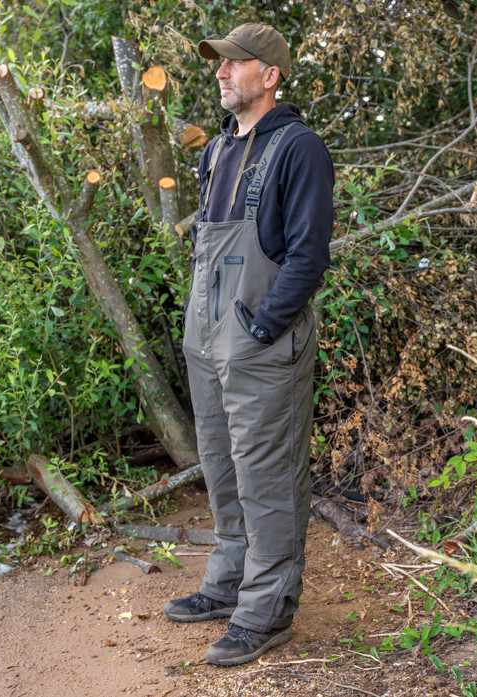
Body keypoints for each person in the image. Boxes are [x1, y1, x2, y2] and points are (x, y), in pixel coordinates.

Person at [162, 23, 334, 666]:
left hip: (260, 343)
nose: (221, 72)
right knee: (222, 464)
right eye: (219, 63)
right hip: (206, 341)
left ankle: (267, 610)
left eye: (234, 62)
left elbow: (308, 256)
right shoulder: (215, 152)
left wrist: (262, 328)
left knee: (268, 477)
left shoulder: (298, 148)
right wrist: (201, 330)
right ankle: (229, 581)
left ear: (270, 74)